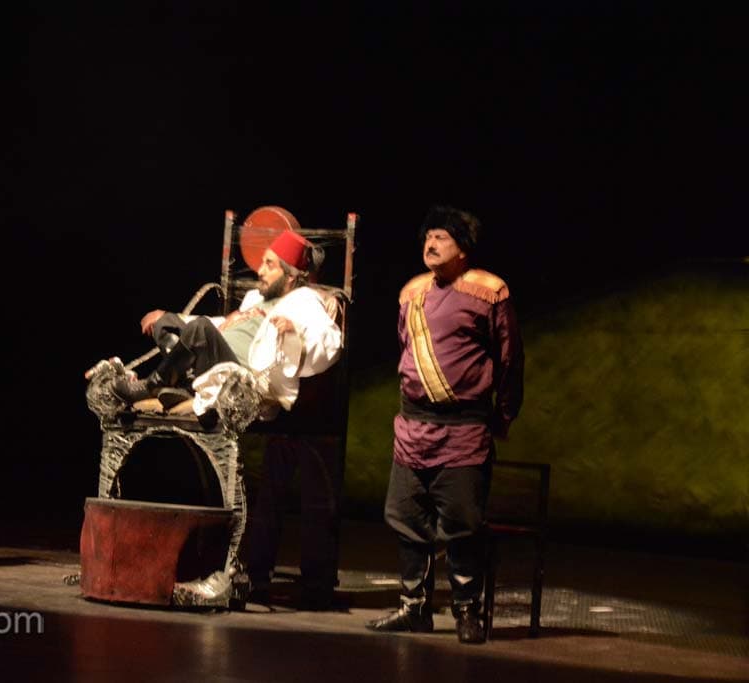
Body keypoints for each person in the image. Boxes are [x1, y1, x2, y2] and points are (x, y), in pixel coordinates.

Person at [366, 205, 524, 643]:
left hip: (463, 431)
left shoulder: (489, 291)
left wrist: (504, 413)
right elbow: (406, 349)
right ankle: (413, 608)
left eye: (442, 238)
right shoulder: (411, 293)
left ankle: (466, 610)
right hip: (413, 429)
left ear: (463, 249)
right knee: (405, 516)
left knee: (462, 522)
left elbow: (509, 358)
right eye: (428, 237)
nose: (431, 244)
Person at [111, 229, 342, 413]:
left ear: (290, 277)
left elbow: (330, 342)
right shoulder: (256, 298)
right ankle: (181, 385)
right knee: (167, 323)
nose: (260, 271)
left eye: (269, 265)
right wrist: (173, 317)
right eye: (262, 262)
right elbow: (223, 324)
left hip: (243, 376)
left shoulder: (304, 300)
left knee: (200, 329)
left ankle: (152, 386)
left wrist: (294, 332)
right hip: (213, 357)